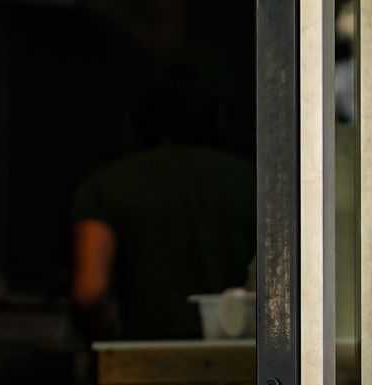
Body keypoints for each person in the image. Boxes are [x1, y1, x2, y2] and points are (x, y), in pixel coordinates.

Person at [69, 75, 255, 343]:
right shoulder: (258, 183)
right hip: (245, 365)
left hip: (141, 366)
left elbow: (90, 294)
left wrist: (105, 349)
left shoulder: (107, 184)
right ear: (222, 116)